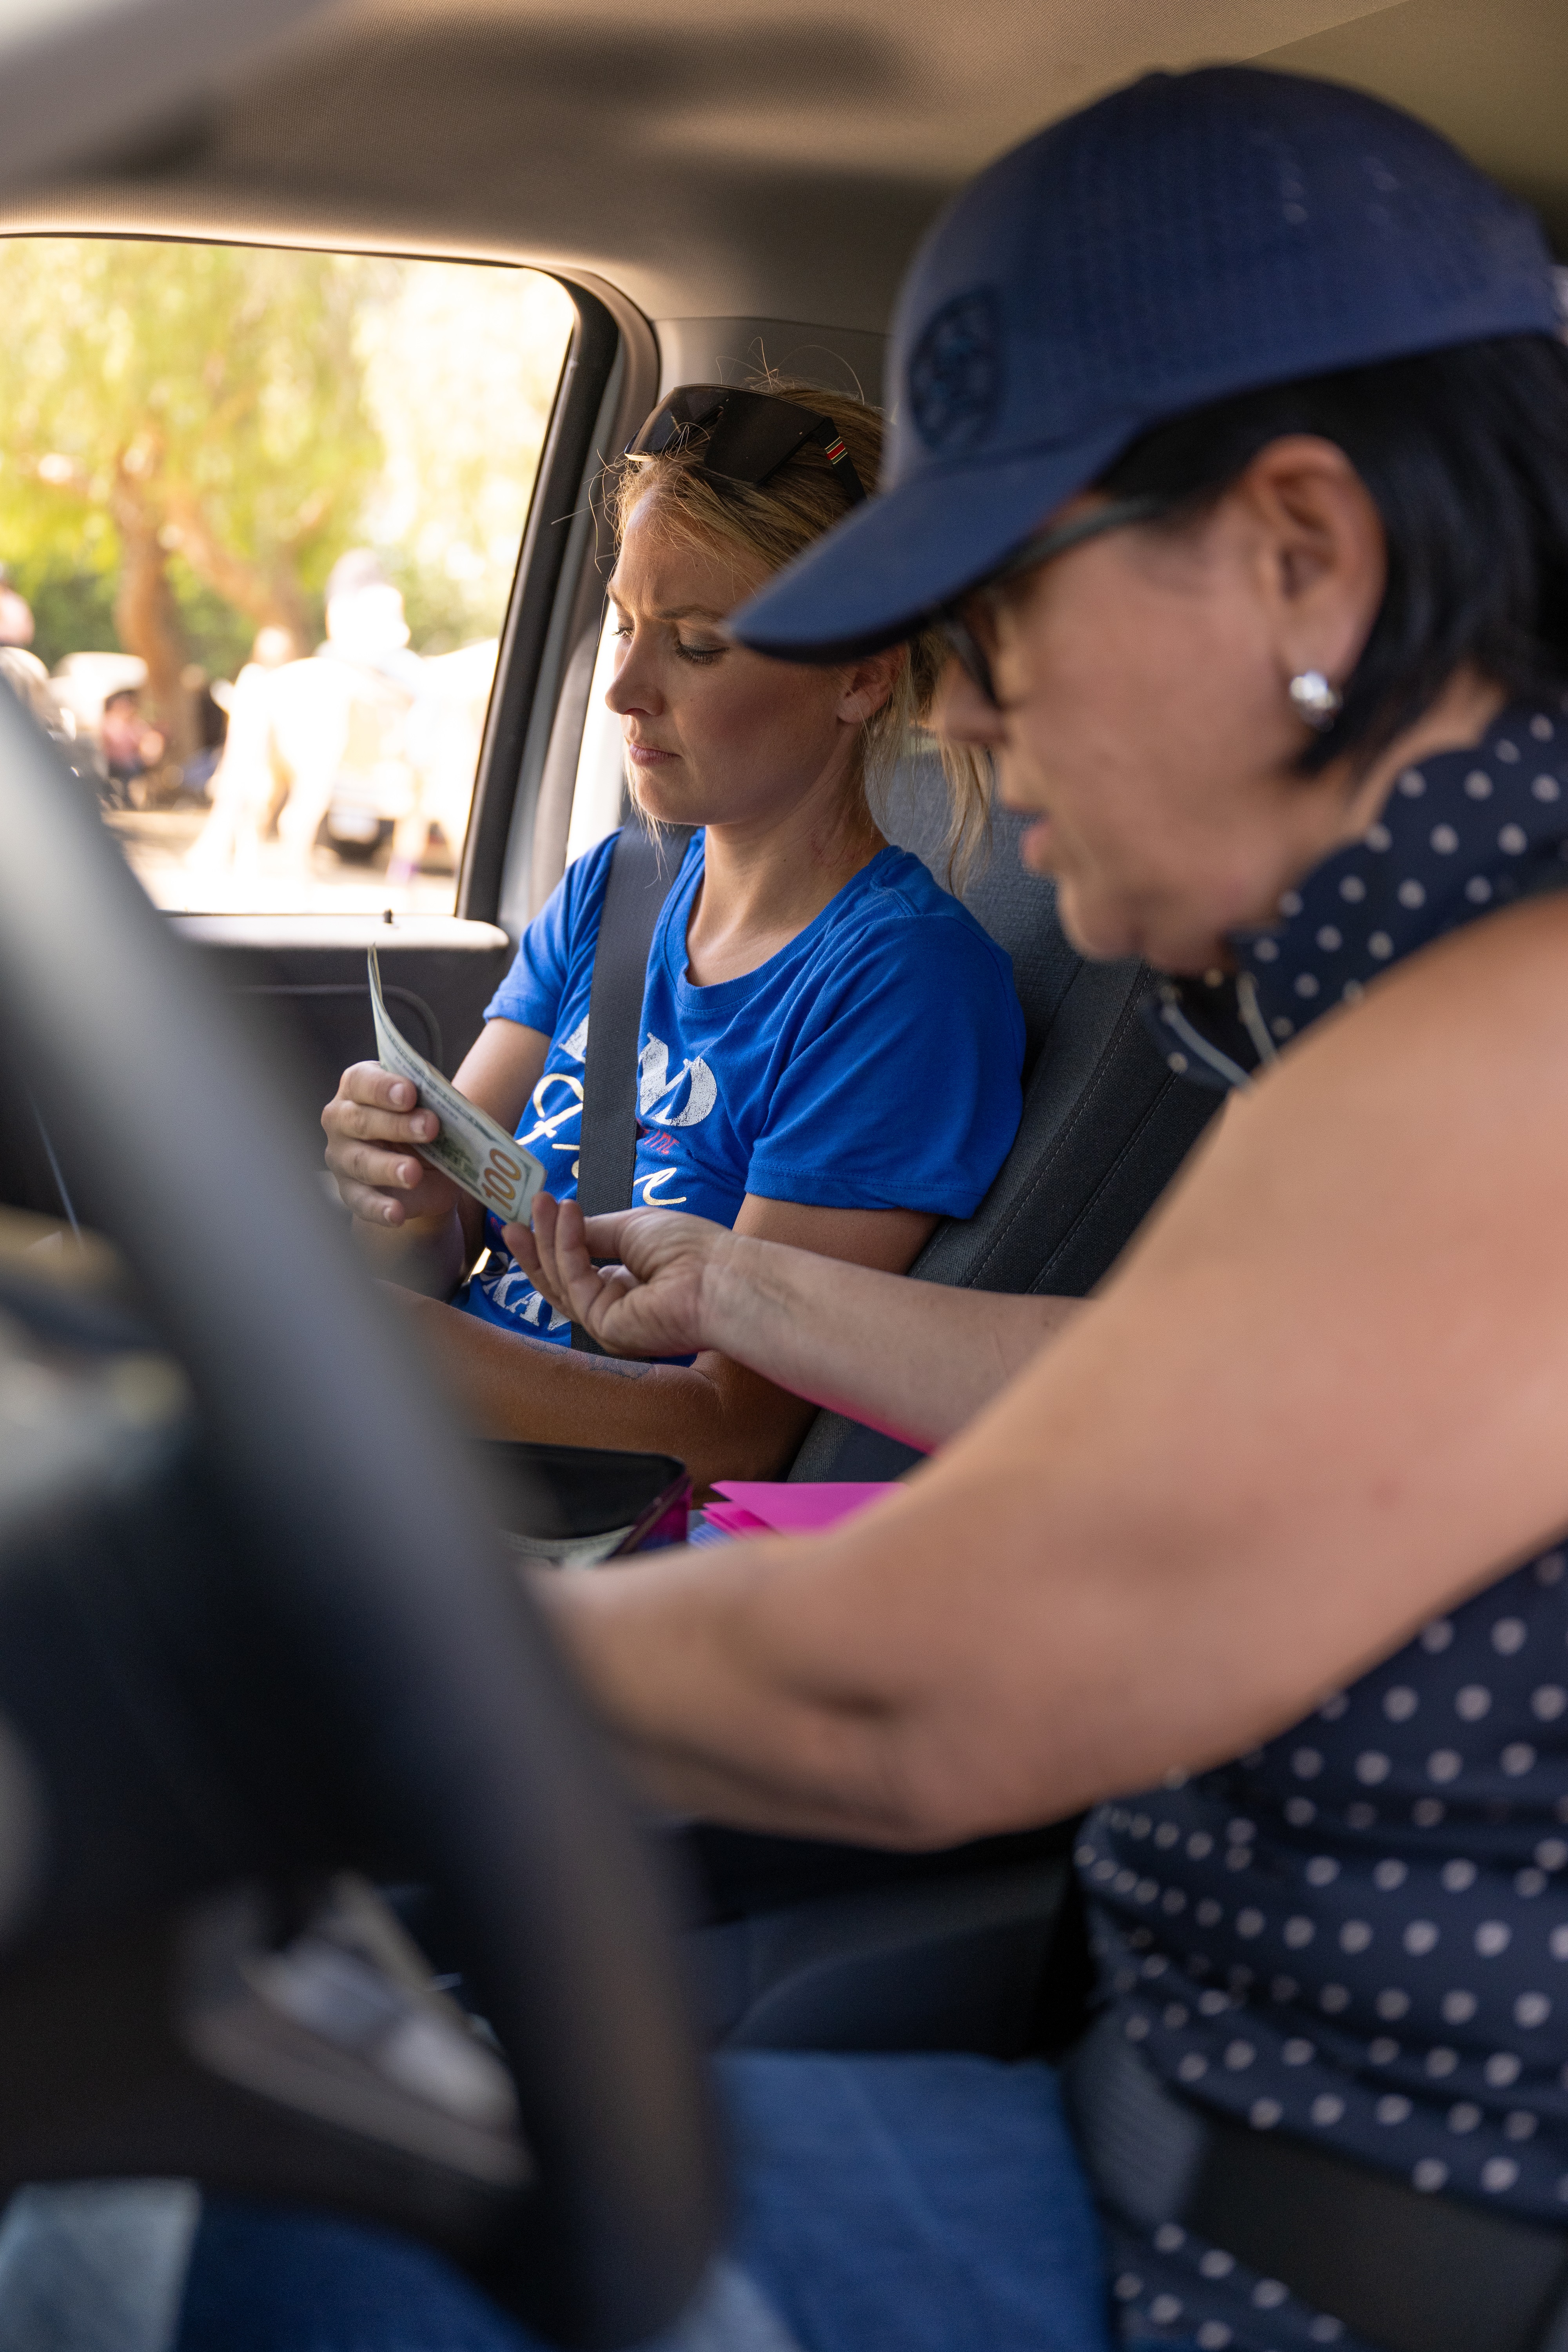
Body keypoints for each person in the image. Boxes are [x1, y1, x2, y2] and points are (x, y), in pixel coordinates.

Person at [32, 62, 1568, 2352]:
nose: (980, 718)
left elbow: (932, 1688)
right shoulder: (1410, 1013)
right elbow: (1170, 1397)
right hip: (1158, 2129)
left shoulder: (1512, 1034)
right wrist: (736, 1284)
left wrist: (233, 1653)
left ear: (1303, 554)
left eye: (1006, 606)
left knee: (135, 2242)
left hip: (1278, 2274)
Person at [321, 382, 1024, 1491]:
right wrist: (398, 1188)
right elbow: (443, 1234)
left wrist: (404, 1353)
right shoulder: (620, 885)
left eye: (696, 647)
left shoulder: (900, 985)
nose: (623, 689)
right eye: (625, 625)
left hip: (599, 1518)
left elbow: (733, 1428)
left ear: (860, 675)